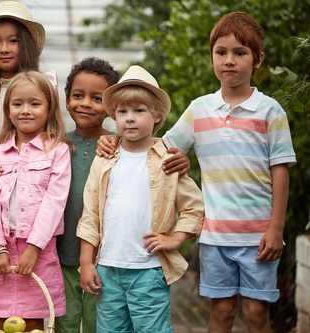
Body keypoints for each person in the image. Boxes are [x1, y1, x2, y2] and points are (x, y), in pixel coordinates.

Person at [162, 12, 296, 333]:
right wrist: (116, 141)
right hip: (214, 236)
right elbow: (164, 152)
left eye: (240, 53)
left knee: (254, 313)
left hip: (259, 237)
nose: (229, 61)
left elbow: (280, 171)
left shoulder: (270, 111)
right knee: (220, 314)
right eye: (221, 52)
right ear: (211, 58)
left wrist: (276, 229)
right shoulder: (199, 108)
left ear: (258, 59)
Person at [77, 65, 204, 333]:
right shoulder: (104, 160)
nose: (129, 118)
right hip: (108, 268)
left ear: (156, 117)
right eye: (122, 111)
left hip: (148, 269)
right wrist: (86, 263)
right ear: (114, 116)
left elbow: (193, 207)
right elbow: (91, 214)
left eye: (139, 111)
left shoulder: (167, 160)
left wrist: (176, 239)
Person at [0, 1, 58, 311]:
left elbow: (56, 139)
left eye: (13, 40)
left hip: (33, 203)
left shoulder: (45, 86)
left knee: (34, 295)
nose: (4, 48)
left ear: (26, 45)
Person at [0, 71, 71, 331]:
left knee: (32, 323)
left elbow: (55, 201)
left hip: (38, 251)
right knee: (1, 323)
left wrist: (34, 247)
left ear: (49, 108)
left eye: (35, 103)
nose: (25, 110)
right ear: (8, 109)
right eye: (18, 104)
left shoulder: (57, 151)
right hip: (1, 251)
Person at [55, 57, 120, 333]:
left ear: (111, 107)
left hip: (102, 256)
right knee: (65, 321)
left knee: (99, 322)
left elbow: (152, 145)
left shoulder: (119, 143)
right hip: (61, 251)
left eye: (97, 98)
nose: (85, 104)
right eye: (78, 95)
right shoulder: (56, 143)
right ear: (67, 99)